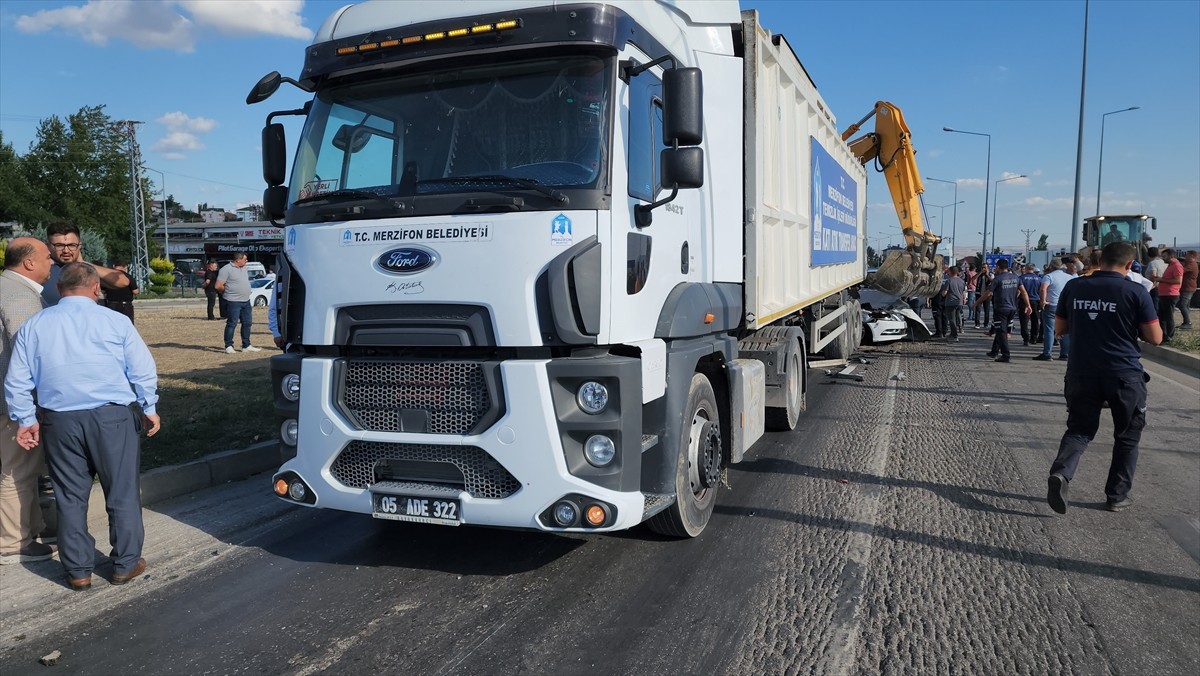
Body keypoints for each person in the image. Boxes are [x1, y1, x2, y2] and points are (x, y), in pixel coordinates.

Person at [4, 262, 161, 590]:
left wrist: (26, 419)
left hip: (59, 422)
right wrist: (149, 406)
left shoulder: (36, 325)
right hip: (112, 418)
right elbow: (142, 368)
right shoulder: (115, 321)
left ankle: (78, 570)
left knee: (69, 496)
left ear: (60, 290)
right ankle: (125, 564)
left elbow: (17, 379)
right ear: (95, 289)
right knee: (122, 492)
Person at [1046, 242, 1162, 514]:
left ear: (1100, 260)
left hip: (1082, 371)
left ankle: (1062, 474)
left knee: (1079, 430)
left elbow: (1060, 328)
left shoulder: (1074, 287)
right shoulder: (1135, 291)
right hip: (1124, 374)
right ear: (1130, 265)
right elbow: (1155, 337)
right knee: (1127, 436)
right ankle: (1117, 496)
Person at [0, 238, 55, 565]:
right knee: (17, 470)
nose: (52, 262)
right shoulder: (21, 295)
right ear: (29, 263)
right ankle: (13, 542)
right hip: (13, 401)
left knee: (22, 468)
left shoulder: (5, 286)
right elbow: (29, 351)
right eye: (47, 257)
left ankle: (32, 528)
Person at [42, 222, 131, 306]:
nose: (66, 251)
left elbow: (122, 282)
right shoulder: (42, 270)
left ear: (79, 245)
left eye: (72, 245)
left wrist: (82, 263)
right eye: (59, 245)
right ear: (48, 246)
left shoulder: (84, 270)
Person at [974, 258, 1029, 362]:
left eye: (996, 267)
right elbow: (1024, 292)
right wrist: (1028, 305)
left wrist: (977, 302)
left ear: (998, 267)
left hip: (1001, 309)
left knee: (1001, 332)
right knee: (1001, 330)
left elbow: (988, 293)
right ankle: (994, 351)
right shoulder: (1016, 278)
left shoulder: (998, 279)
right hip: (1012, 309)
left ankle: (1005, 355)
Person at [215, 253, 263, 354]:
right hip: (233, 301)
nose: (246, 261)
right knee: (232, 323)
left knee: (247, 323)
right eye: (245, 259)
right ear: (238, 260)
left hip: (246, 301)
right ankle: (228, 345)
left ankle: (246, 345)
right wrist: (227, 291)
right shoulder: (226, 269)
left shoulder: (244, 268)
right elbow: (218, 285)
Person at [1035, 257, 1076, 361]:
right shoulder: (1069, 277)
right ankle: (1064, 354)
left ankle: (1047, 353)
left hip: (1051, 305)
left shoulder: (1048, 276)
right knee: (1065, 330)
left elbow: (1043, 289)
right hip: (1065, 305)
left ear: (1051, 266)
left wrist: (1042, 301)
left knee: (1049, 329)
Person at [1156, 248, 1183, 341]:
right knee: (1162, 316)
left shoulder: (1176, 265)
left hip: (1170, 294)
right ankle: (1164, 335)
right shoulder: (1170, 265)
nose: (1163, 258)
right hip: (1164, 294)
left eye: (1164, 256)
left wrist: (1161, 280)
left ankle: (1169, 336)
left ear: (1171, 256)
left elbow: (1178, 280)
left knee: (1168, 316)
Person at [939, 266, 966, 342]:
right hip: (959, 302)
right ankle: (952, 334)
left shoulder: (949, 281)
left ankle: (954, 336)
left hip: (950, 302)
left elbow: (945, 293)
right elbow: (964, 292)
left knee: (951, 319)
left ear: (950, 272)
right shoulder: (962, 281)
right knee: (957, 318)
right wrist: (964, 299)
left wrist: (941, 293)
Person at [1018, 264, 1043, 345]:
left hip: (1024, 301)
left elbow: (1018, 291)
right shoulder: (1039, 279)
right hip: (1036, 300)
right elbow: (1041, 290)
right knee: (1035, 320)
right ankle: (1034, 338)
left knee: (1024, 320)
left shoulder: (1022, 278)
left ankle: (1026, 338)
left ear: (1027, 269)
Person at [1178, 250, 1198, 329]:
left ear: (1192, 256)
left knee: (1182, 305)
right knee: (1186, 306)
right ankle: (1186, 322)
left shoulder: (1191, 265)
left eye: (1187, 255)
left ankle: (1187, 322)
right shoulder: (1191, 264)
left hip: (1188, 288)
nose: (1186, 256)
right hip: (1188, 287)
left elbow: (1181, 270)